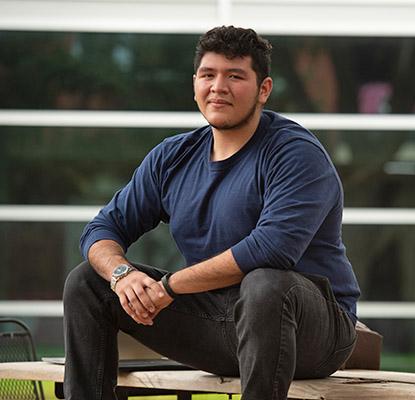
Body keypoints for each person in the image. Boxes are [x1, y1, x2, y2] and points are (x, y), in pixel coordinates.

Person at [62, 25, 360, 400]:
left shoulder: (295, 154)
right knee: (88, 281)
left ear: (263, 89)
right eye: (209, 74)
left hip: (310, 333)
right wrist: (122, 275)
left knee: (266, 284)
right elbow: (103, 228)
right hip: (218, 326)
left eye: (235, 76)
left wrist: (169, 287)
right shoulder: (173, 156)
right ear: (195, 84)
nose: (219, 86)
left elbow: (271, 250)